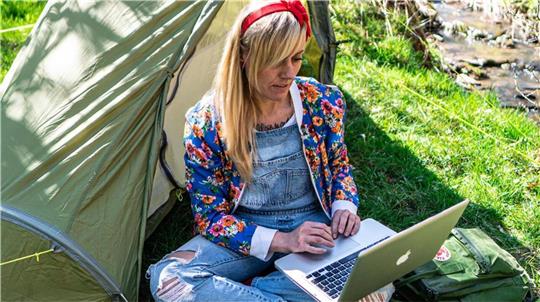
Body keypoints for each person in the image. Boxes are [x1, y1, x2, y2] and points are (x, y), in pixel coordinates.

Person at [147, 1, 366, 301]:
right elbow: (210, 218)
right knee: (169, 280)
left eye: (297, 58)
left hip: (317, 229)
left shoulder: (322, 101)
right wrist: (283, 240)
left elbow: (340, 166)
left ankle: (256, 291)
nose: (288, 73)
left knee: (377, 273)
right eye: (276, 61)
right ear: (244, 56)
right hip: (246, 233)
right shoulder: (206, 122)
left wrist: (344, 206)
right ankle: (291, 289)